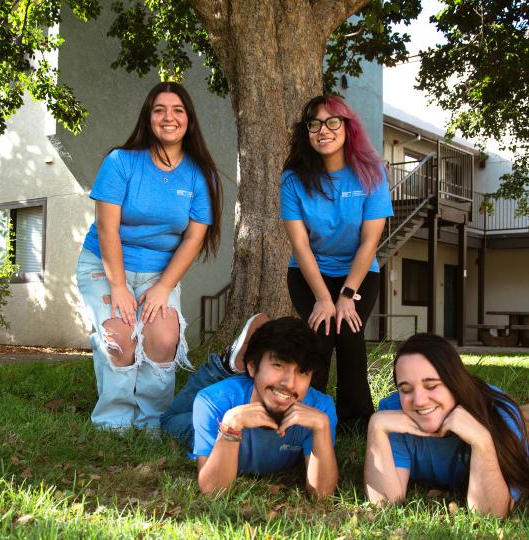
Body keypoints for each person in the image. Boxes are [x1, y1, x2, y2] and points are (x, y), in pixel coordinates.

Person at [76, 82, 222, 431]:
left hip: (160, 273)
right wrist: (120, 285)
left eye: (177, 110)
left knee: (162, 337)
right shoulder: (121, 162)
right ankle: (113, 423)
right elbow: (108, 229)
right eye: (159, 110)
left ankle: (152, 422)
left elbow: (193, 238)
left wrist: (164, 287)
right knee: (120, 336)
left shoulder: (200, 175)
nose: (168, 117)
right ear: (148, 117)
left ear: (188, 119)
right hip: (106, 265)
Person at [280, 95, 393, 433]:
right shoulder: (293, 179)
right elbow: (300, 244)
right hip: (308, 273)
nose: (323, 130)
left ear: (348, 128)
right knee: (322, 334)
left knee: (349, 331)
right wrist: (324, 298)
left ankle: (356, 421)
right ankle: (308, 414)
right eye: (314, 124)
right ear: (307, 133)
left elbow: (370, 242)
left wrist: (345, 295)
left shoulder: (371, 174)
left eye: (333, 122)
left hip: (358, 272)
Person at [160, 315, 339, 497]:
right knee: (169, 421)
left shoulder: (320, 410)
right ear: (252, 367)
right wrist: (230, 427)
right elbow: (213, 492)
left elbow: (322, 494)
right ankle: (222, 366)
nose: (290, 383)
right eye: (278, 365)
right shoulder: (214, 402)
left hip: (244, 388)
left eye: (302, 372)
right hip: (219, 403)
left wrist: (322, 427)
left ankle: (233, 367)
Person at [364, 333, 529, 517]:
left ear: (455, 383)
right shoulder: (393, 413)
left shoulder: (499, 414)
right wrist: (376, 426)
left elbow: (491, 514)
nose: (419, 401)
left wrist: (482, 441)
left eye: (432, 386)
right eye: (406, 390)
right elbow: (385, 502)